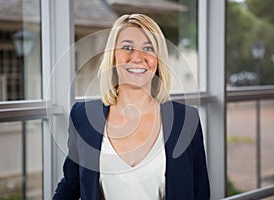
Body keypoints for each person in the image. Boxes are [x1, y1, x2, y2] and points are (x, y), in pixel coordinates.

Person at [53, 14, 210, 200]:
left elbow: (200, 192)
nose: (137, 57)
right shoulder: (83, 117)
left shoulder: (186, 120)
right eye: (127, 47)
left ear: (158, 60)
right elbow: (71, 186)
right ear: (112, 56)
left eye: (148, 48)